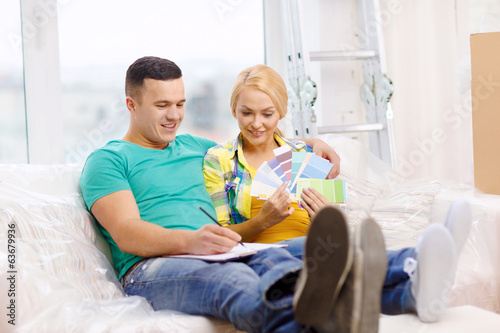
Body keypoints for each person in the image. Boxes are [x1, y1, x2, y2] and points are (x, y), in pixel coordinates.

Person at [79, 56, 380, 333]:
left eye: (180, 104)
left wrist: (311, 143)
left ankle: (411, 276)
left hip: (223, 253)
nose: (174, 116)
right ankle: (327, 323)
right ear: (131, 105)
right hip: (155, 267)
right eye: (162, 106)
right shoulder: (108, 160)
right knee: (238, 282)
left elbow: (252, 141)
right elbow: (127, 233)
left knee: (296, 259)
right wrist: (191, 241)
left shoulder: (195, 147)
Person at [202, 64, 472, 323]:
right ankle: (416, 260)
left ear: (281, 112)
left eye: (267, 114)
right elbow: (222, 238)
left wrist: (326, 216)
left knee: (331, 253)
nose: (256, 123)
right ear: (234, 110)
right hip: (264, 256)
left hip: (316, 250)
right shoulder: (220, 160)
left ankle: (410, 296)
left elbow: (333, 220)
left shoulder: (304, 154)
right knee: (328, 249)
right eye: (246, 113)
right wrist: (264, 220)